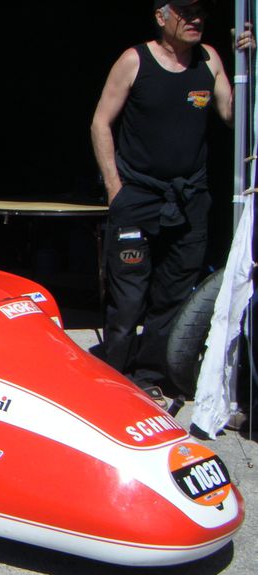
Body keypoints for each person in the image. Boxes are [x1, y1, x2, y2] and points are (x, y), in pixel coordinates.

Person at [90, 0, 252, 402]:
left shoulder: (209, 58)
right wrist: (115, 187)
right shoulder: (135, 60)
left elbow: (232, 115)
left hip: (189, 198)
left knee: (173, 296)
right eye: (185, 12)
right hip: (138, 197)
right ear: (161, 17)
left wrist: (249, 63)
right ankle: (114, 378)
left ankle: (149, 376)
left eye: (200, 12)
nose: (195, 19)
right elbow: (100, 122)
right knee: (128, 299)